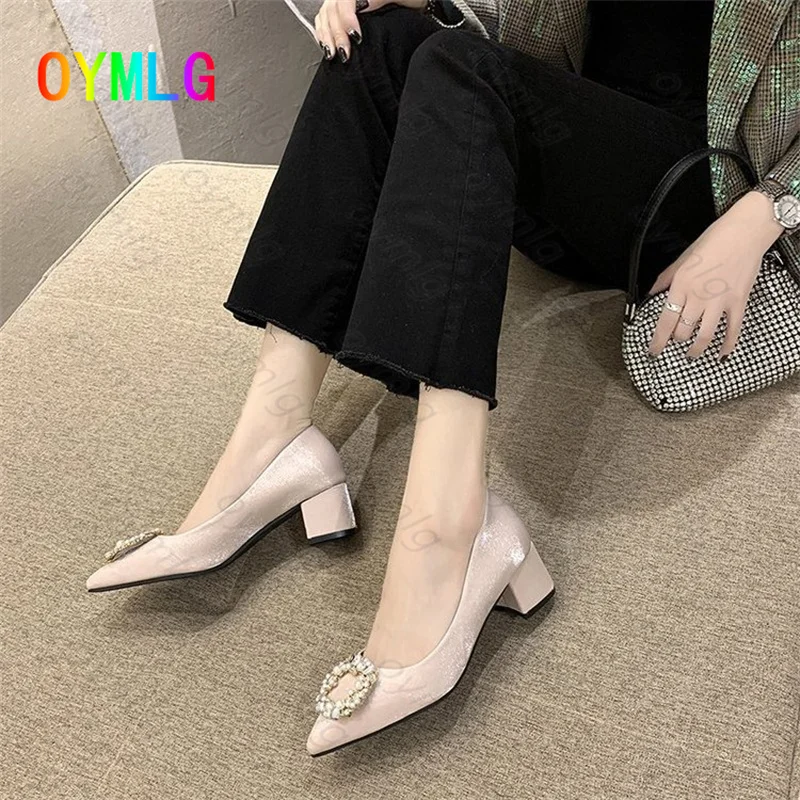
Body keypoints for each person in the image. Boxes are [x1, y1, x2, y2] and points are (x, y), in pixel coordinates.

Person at [86, 0, 799, 755]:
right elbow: (524, 35)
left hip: (712, 207)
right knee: (376, 42)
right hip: (567, 172)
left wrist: (764, 215)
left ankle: (449, 526)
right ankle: (273, 435)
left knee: (462, 71)